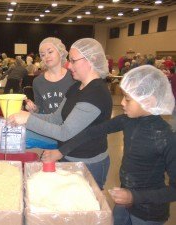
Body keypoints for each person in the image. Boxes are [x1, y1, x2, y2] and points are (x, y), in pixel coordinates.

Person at [45, 65, 176, 225]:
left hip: (149, 213)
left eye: (127, 99)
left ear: (149, 101)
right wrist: (61, 151)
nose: (121, 103)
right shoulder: (127, 120)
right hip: (124, 202)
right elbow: (91, 132)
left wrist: (133, 196)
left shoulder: (167, 138)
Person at [9, 38, 113, 189]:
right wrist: (23, 116)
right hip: (67, 156)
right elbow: (56, 118)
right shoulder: (77, 86)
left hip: (89, 163)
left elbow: (65, 132)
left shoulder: (96, 93)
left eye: (73, 61)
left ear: (92, 59)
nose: (69, 65)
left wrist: (29, 119)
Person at [25, 37, 74, 114]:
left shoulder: (73, 77)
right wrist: (34, 109)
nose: (46, 57)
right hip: (48, 125)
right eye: (43, 55)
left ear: (60, 52)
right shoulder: (37, 81)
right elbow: (40, 108)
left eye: (50, 52)